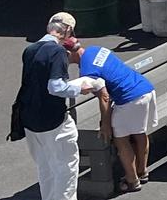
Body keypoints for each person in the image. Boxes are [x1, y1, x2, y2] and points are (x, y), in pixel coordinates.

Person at [12, 11, 103, 200]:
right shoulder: (57, 53)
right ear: (68, 31)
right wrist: (80, 87)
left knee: (45, 163)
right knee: (66, 162)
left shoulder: (30, 50)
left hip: (29, 117)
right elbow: (56, 87)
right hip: (52, 117)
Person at [66, 37, 157, 192]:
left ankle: (132, 180)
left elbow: (105, 97)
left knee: (121, 140)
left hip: (129, 99)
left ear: (68, 53)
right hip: (146, 89)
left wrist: (106, 125)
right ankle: (142, 171)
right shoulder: (95, 49)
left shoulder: (88, 72)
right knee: (140, 133)